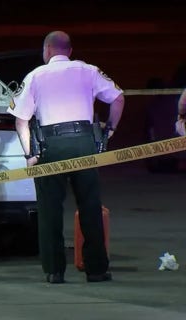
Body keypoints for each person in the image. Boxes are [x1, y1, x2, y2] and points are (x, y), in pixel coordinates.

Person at [8, 31, 124, 284]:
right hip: (84, 143)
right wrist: (109, 132)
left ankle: (54, 271)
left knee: (50, 211)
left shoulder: (35, 76)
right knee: (90, 208)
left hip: (51, 145)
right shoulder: (89, 70)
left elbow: (21, 121)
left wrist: (30, 153)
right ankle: (96, 270)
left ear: (47, 50)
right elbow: (118, 98)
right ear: (69, 51)